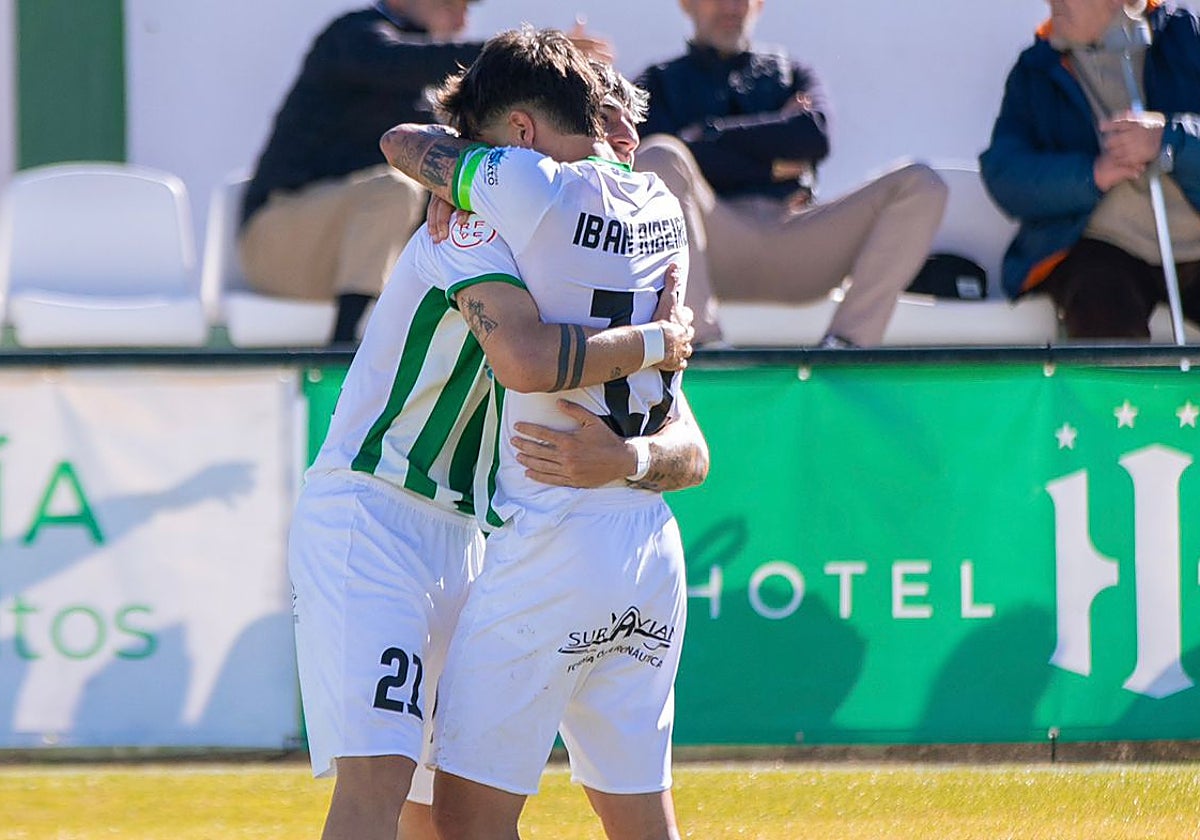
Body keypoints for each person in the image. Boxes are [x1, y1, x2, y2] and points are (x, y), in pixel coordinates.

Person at [290, 50, 706, 840]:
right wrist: (659, 337)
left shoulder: (587, 232)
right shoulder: (482, 224)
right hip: (373, 513)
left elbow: (689, 444)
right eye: (605, 120)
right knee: (381, 782)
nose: (615, 139)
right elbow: (525, 359)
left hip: (470, 533)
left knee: (434, 819)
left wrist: (631, 460)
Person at [239, 0, 613, 344]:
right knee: (396, 189)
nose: (462, 19)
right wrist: (526, 62)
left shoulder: (420, 76)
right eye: (454, 2)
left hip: (352, 257)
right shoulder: (354, 35)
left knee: (468, 189)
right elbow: (394, 61)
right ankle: (345, 349)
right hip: (278, 242)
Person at [633, 0, 948, 347]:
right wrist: (773, 159)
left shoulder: (790, 71)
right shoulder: (658, 82)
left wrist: (707, 135)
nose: (731, 6)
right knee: (661, 155)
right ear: (687, 4)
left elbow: (815, 135)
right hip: (712, 242)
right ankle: (703, 345)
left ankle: (845, 346)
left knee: (922, 183)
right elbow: (652, 158)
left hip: (798, 240)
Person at [979, 0, 1200, 339]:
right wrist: (1090, 174)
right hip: (1103, 249)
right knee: (1100, 310)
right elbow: (1005, 174)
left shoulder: (1184, 36)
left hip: (1194, 243)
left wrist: (1168, 138)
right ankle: (1115, 396)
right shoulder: (1036, 68)